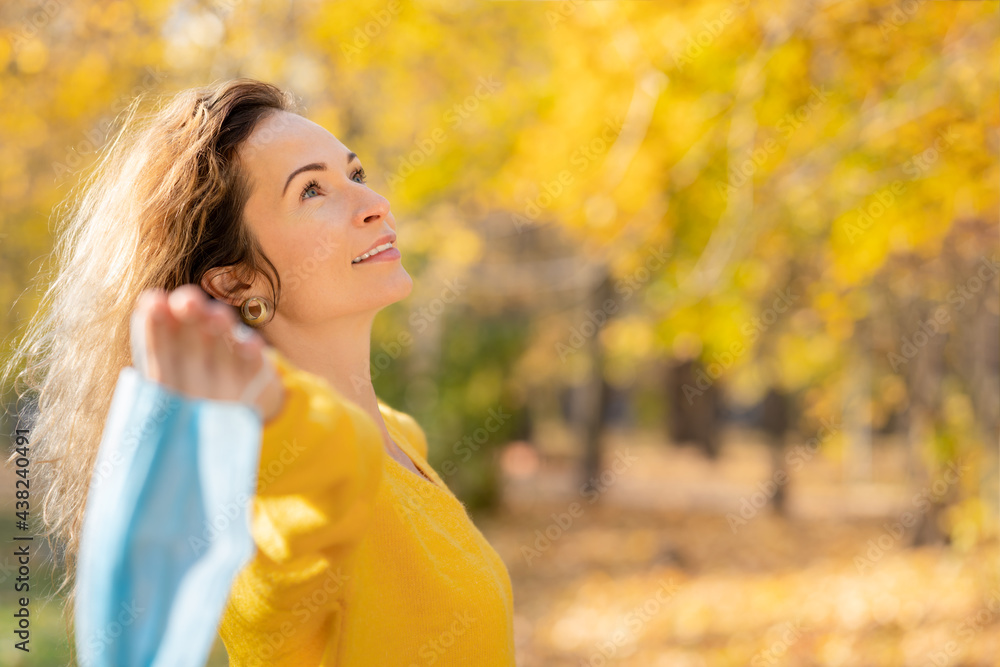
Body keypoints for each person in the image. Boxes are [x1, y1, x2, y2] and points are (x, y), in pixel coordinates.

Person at [2, 78, 515, 665]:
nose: (375, 204)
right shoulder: (254, 491)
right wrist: (269, 405)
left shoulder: (399, 436)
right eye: (312, 191)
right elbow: (315, 479)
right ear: (236, 280)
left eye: (355, 175)